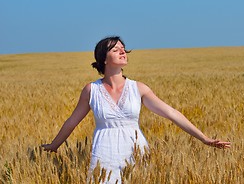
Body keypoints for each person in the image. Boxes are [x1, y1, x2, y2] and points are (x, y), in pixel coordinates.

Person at [42, 36, 231, 183]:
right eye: (116, 49)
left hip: (136, 150)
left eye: (124, 49)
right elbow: (72, 122)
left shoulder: (138, 88)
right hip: (103, 153)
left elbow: (172, 113)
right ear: (104, 59)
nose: (123, 52)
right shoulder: (92, 90)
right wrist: (54, 145)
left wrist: (204, 139)